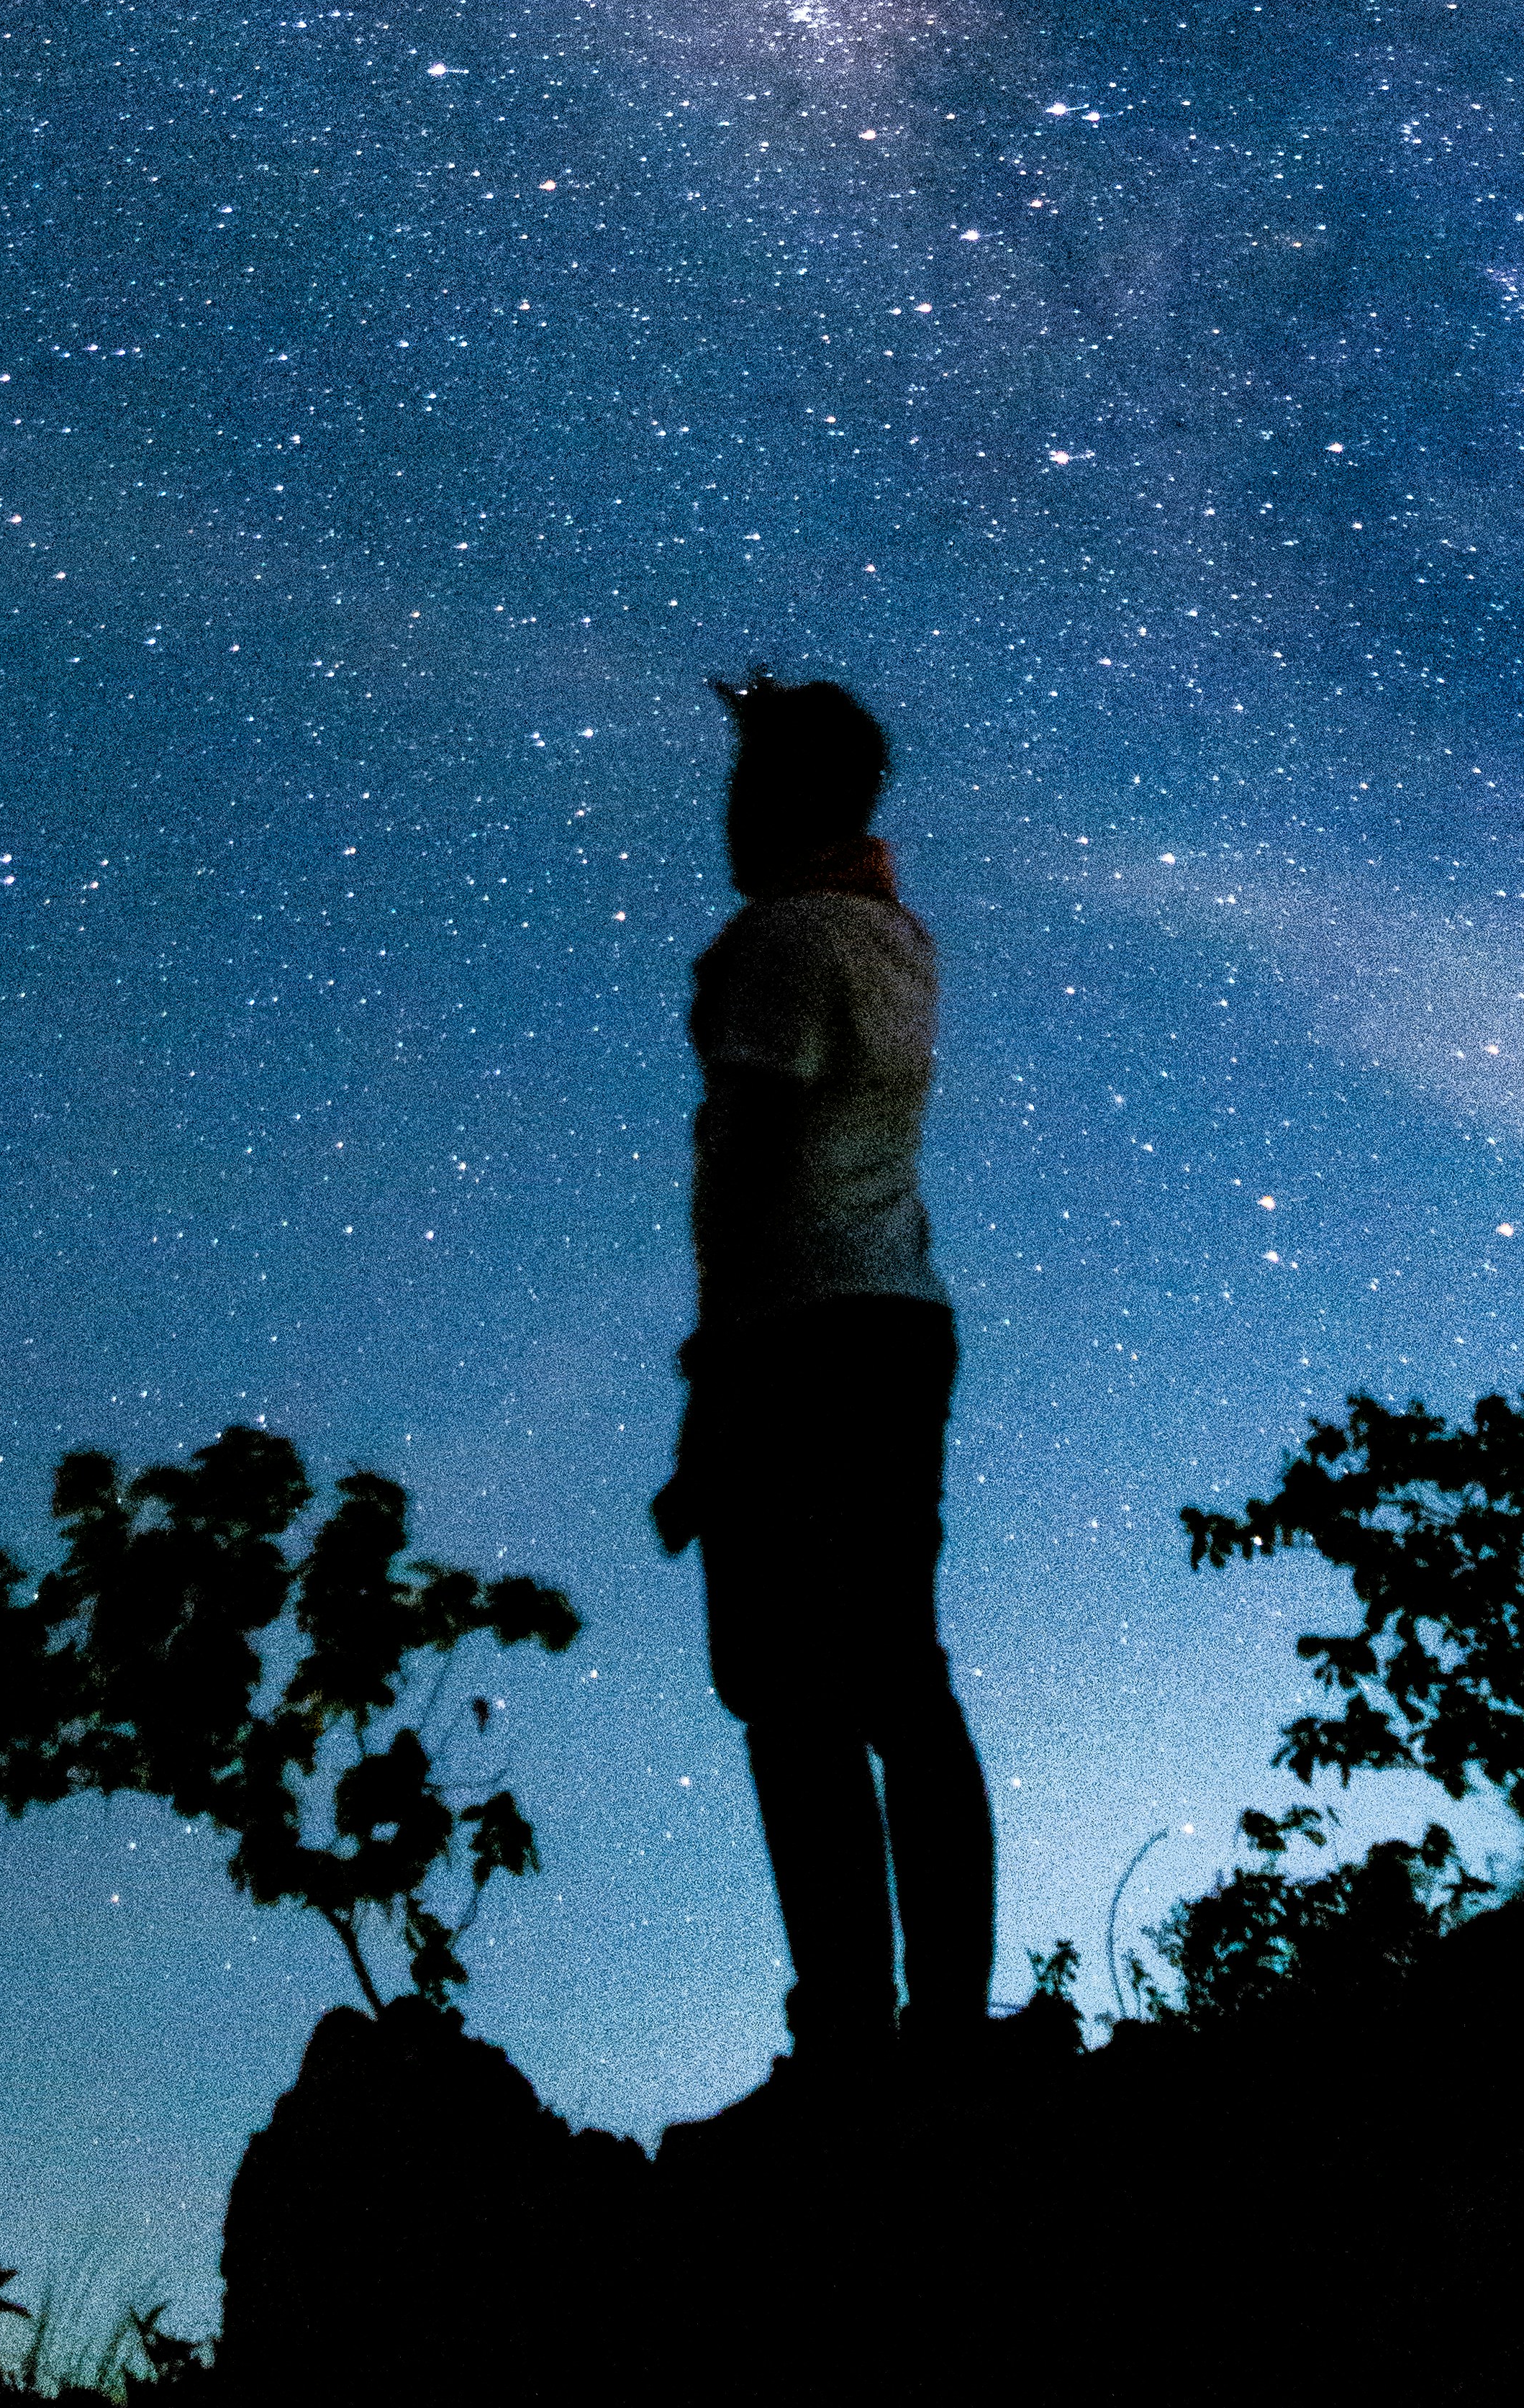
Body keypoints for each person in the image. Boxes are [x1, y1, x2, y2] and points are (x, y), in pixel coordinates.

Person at [652, 670, 997, 2094]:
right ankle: (946, 2024)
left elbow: (744, 1162)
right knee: (893, 1671)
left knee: (788, 1684)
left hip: (797, 1334)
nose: (724, 811)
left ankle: (855, 2028)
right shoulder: (889, 934)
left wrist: (709, 1392)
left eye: (744, 781)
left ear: (787, 794)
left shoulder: (787, 937)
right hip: (894, 1320)